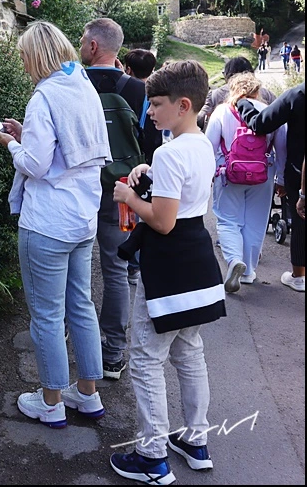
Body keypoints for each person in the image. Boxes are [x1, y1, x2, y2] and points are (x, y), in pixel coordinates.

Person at [0, 20, 111, 428]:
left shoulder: (43, 96)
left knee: (46, 315)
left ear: (37, 56)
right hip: (83, 220)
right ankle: (87, 394)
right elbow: (69, 145)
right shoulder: (83, 86)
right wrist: (27, 134)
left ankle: (51, 401)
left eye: (25, 57)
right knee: (81, 306)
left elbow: (36, 165)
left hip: (46, 224)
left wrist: (12, 144)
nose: (24, 65)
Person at [111, 60, 226, 484]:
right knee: (189, 351)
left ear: (183, 105)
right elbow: (182, 195)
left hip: (168, 265)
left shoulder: (169, 151)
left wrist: (128, 196)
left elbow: (162, 221)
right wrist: (148, 173)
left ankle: (152, 456)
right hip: (197, 262)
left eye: (156, 104)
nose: (150, 112)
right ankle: (196, 441)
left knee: (145, 358)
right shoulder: (199, 144)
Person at [81, 18, 145, 380]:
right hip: (120, 189)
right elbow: (149, 145)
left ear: (93, 47)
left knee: (71, 267)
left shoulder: (74, 84)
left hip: (76, 188)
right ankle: (113, 353)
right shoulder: (137, 89)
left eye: (82, 41)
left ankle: (66, 331)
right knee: (116, 270)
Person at [206, 73, 286, 292]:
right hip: (263, 172)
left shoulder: (222, 111)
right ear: (257, 91)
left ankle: (234, 260)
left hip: (228, 172)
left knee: (227, 219)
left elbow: (209, 146)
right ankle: (249, 271)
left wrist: (209, 174)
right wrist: (281, 178)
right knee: (256, 221)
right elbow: (282, 148)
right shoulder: (269, 111)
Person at [236, 82, 306, 292]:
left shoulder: (297, 95)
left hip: (298, 171)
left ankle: (299, 276)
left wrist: (243, 104)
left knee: (301, 221)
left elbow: (260, 124)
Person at [123, 48, 162, 286]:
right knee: (139, 212)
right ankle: (135, 265)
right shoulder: (154, 95)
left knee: (123, 212)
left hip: (122, 158)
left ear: (128, 69)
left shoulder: (123, 89)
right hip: (145, 160)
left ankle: (127, 258)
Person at [197, 57, 277, 129]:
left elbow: (200, 118)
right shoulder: (266, 94)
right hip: (261, 138)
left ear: (227, 75)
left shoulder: (215, 94)